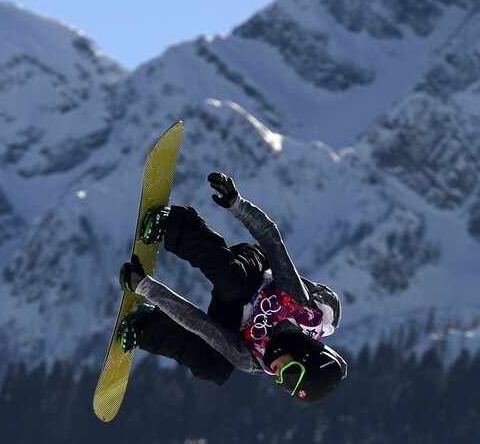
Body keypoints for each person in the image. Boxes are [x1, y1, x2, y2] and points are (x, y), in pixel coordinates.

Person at [118, 172, 347, 402]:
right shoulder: (297, 306)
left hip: (232, 317)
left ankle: (146, 326)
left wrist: (146, 287)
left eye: (285, 386)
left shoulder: (253, 360)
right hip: (254, 273)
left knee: (215, 367)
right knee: (233, 282)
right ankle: (173, 226)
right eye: (290, 375)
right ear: (304, 355)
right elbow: (270, 238)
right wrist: (236, 204)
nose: (279, 378)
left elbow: (199, 323)